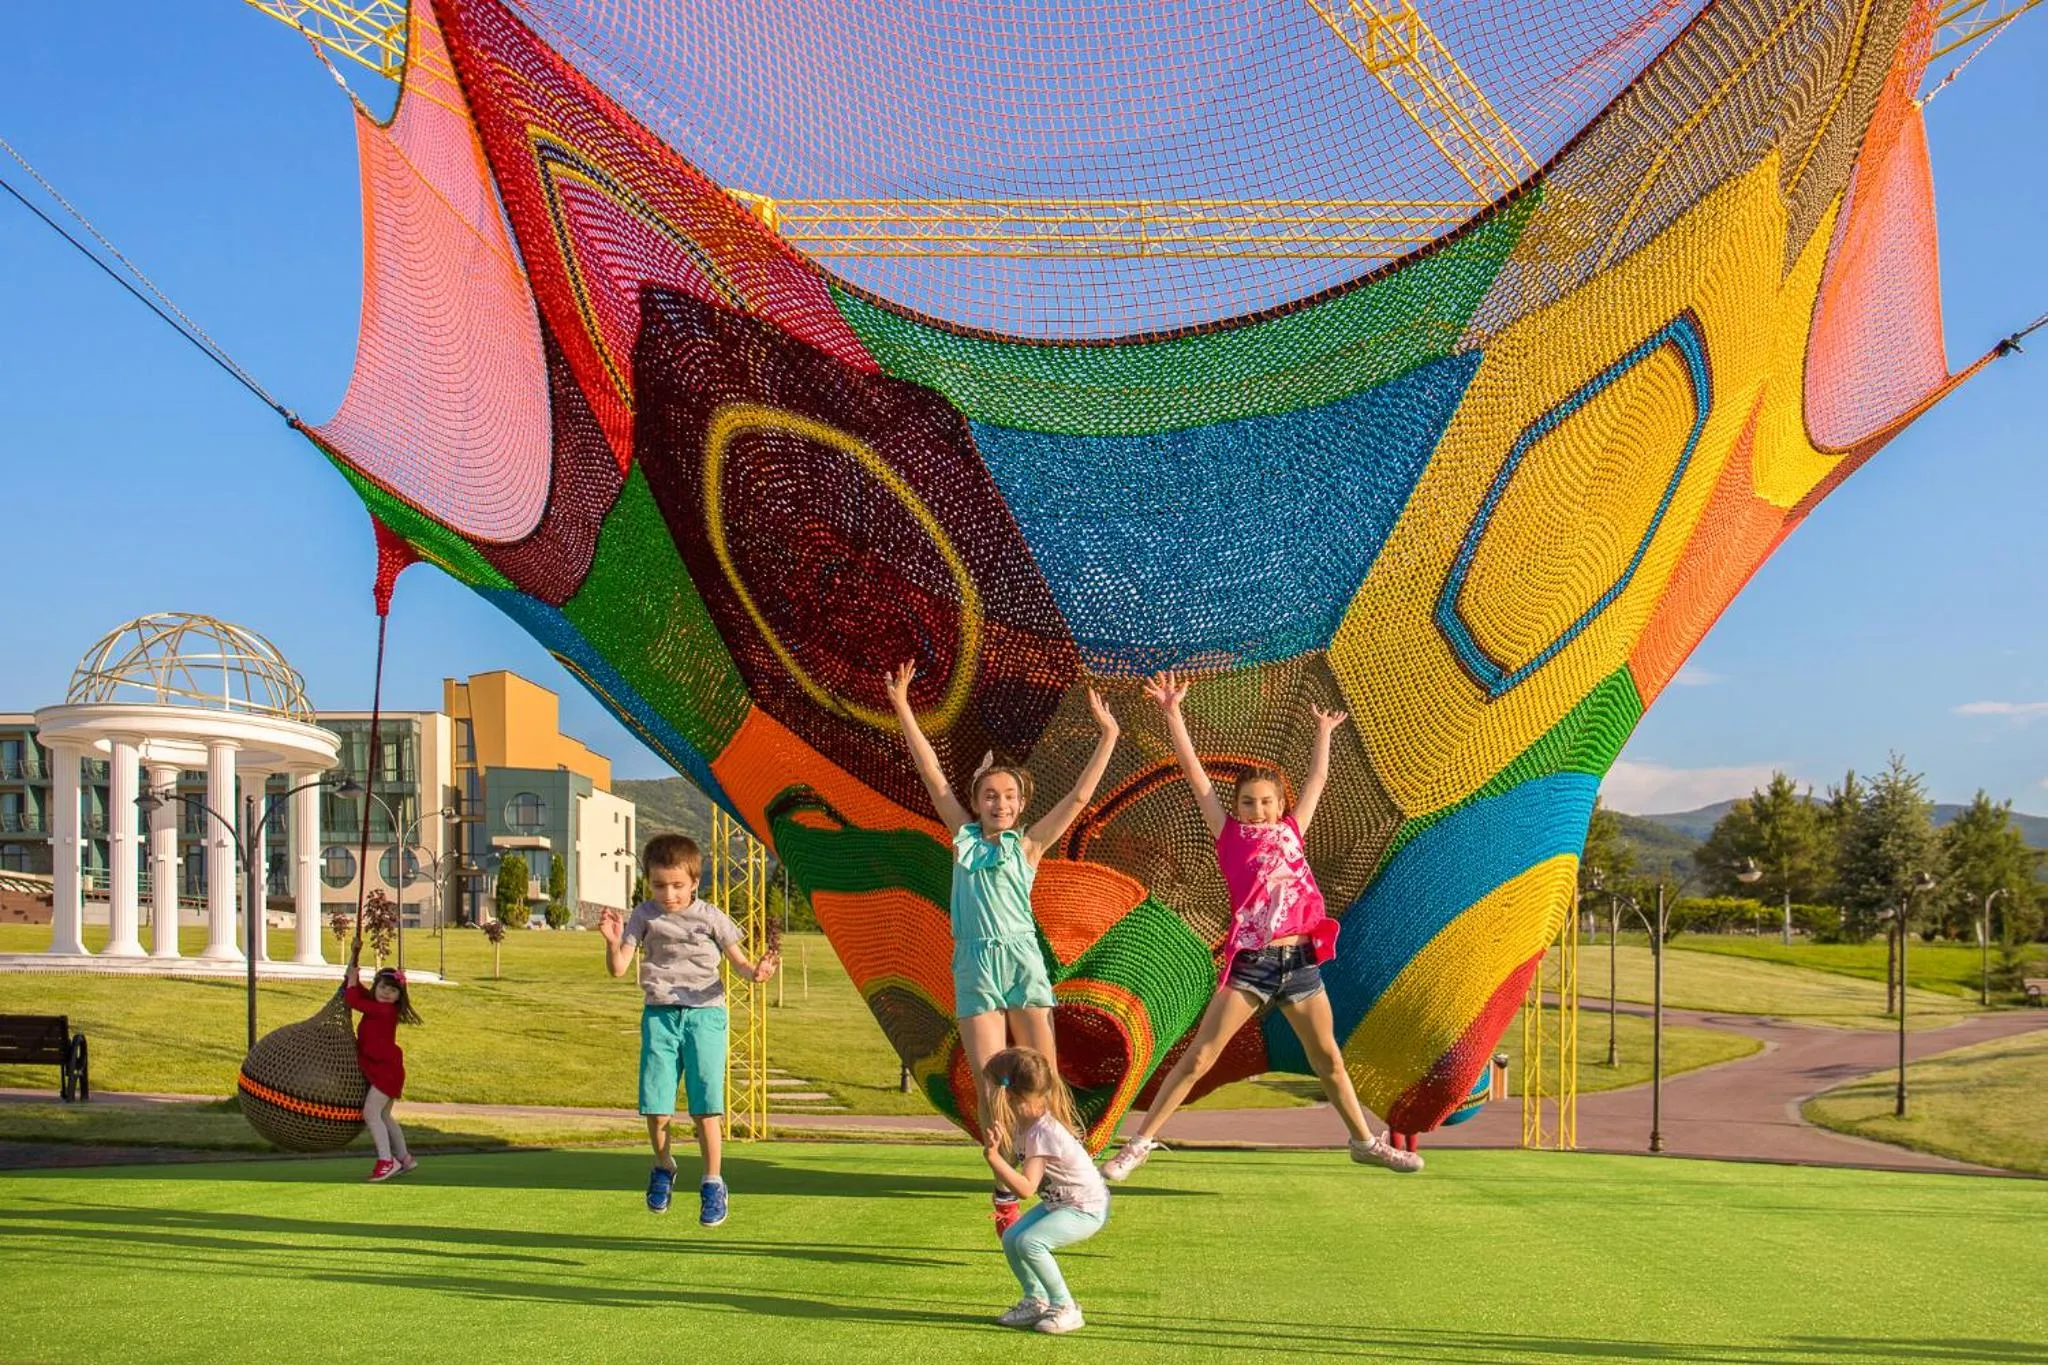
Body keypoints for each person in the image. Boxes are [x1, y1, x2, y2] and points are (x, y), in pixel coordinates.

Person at [1101, 670, 1422, 1180]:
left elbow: (1316, 780)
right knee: (1201, 1056)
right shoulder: (1229, 835)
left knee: (1329, 1061)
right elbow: (1194, 773)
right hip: (1253, 961)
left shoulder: (1293, 829)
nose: (1257, 809)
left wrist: (1323, 733)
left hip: (1299, 964)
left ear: (1280, 804)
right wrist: (1172, 712)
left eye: (1266, 801)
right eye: (1248, 802)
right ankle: (1137, 1146)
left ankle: (1364, 1141)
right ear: (1236, 806)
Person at [886, 660, 1120, 1236]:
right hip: (974, 961)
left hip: (1021, 960)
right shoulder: (962, 837)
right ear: (977, 800)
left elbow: (1081, 794)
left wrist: (1108, 734)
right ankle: (1003, 1185)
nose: (998, 803)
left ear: (1019, 804)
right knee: (993, 1080)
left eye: (1008, 796)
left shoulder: (1031, 845)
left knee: (1044, 1072)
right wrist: (903, 706)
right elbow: (931, 772)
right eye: (989, 795)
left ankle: (1067, 1173)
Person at [599, 834, 778, 1226]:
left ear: (694, 881)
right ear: (648, 881)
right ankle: (664, 1166)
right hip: (660, 1016)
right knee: (657, 1108)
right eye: (660, 885)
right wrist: (613, 943)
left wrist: (758, 973)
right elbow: (618, 968)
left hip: (705, 1016)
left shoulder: (711, 917)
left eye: (678, 886)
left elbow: (741, 964)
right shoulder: (643, 916)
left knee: (705, 1109)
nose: (669, 894)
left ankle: (713, 1182)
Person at [982, 1046, 1109, 1334]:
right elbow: (1016, 1163)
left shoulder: (1042, 1132)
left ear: (1008, 1093)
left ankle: (1065, 1307)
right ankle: (1035, 1300)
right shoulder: (1026, 1124)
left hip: (1085, 1208)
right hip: (1062, 1203)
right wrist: (1002, 1166)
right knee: (1013, 1237)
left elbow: (1026, 1189)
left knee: (1030, 1242)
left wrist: (993, 1159)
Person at [344, 946, 421, 1183]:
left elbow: (352, 999)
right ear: (376, 987)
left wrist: (351, 983)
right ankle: (404, 1157)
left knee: (371, 1113)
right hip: (387, 1070)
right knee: (385, 1116)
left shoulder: (384, 1011)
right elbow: (360, 994)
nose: (387, 993)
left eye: (393, 991)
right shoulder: (379, 1005)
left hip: (386, 1071)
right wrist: (352, 971)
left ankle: (387, 1161)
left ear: (399, 996)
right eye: (383, 988)